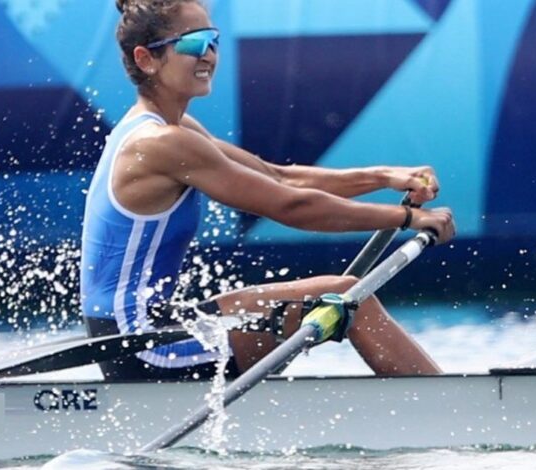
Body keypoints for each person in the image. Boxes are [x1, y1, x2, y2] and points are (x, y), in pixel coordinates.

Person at [80, 0, 456, 381]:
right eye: (193, 43)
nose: (209, 53)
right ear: (146, 59)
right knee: (349, 299)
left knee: (341, 295)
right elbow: (290, 206)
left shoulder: (173, 128)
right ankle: (451, 406)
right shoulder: (161, 143)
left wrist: (385, 176)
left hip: (146, 327)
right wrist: (406, 217)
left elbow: (278, 177)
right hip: (140, 344)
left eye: (212, 39)